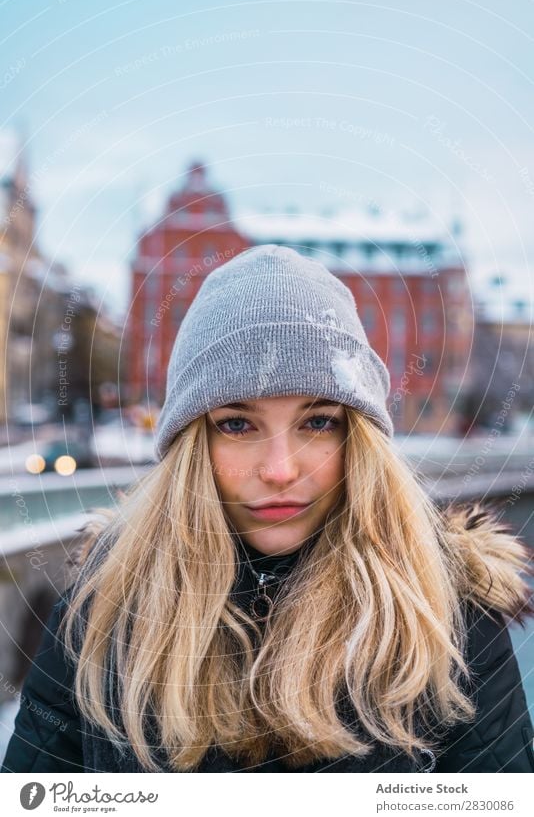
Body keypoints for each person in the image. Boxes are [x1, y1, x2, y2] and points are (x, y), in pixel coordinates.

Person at [2, 244, 533, 774]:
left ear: (359, 441)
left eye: (318, 421)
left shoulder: (451, 621)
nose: (280, 469)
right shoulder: (101, 615)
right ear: (193, 447)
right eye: (237, 424)